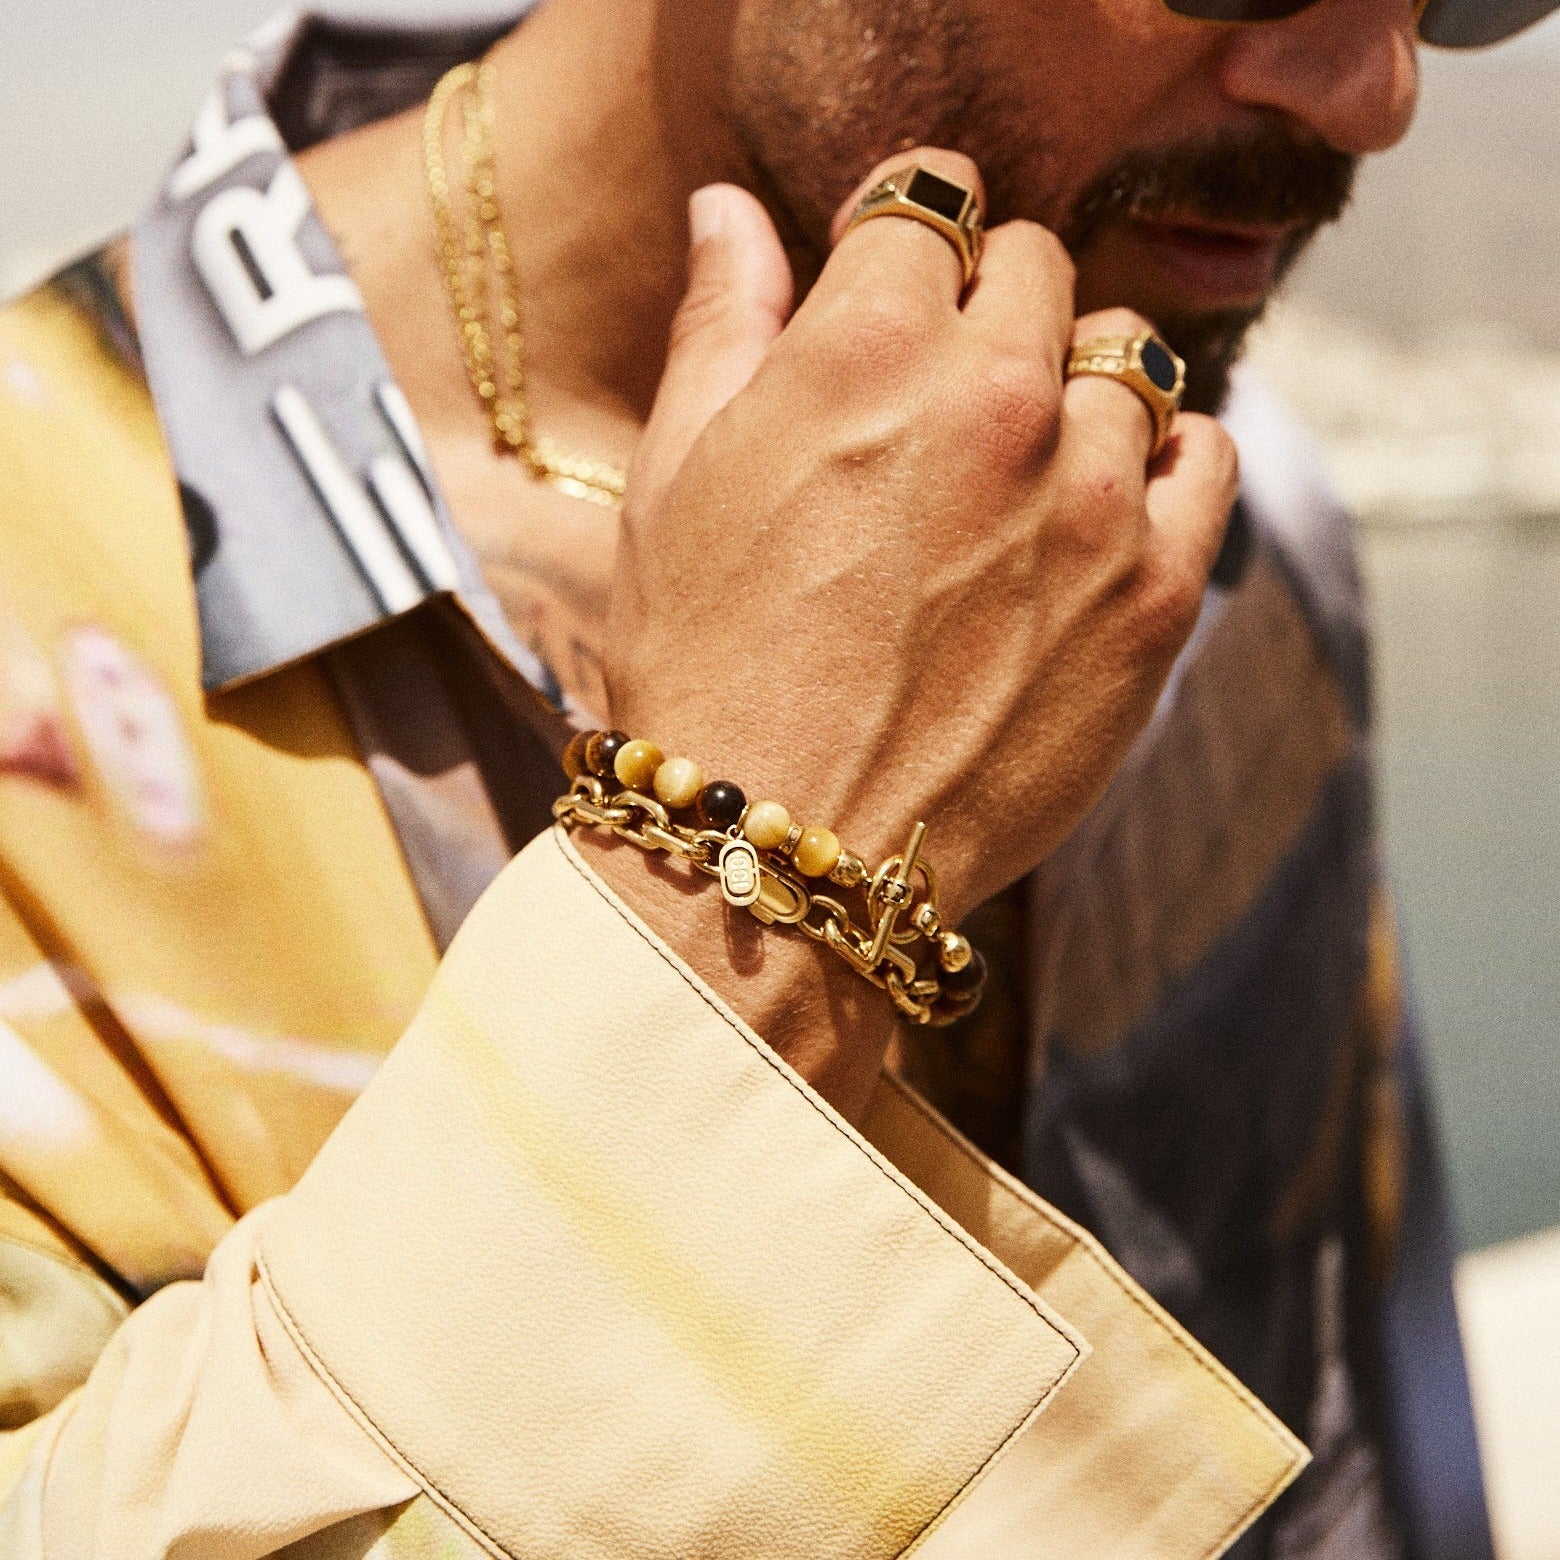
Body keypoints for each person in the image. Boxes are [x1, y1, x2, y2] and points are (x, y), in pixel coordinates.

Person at [0, 0, 1546, 1553]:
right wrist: (734, 916)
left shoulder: (1215, 516)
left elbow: (1366, 1463)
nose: (1374, 93)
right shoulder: (36, 623)